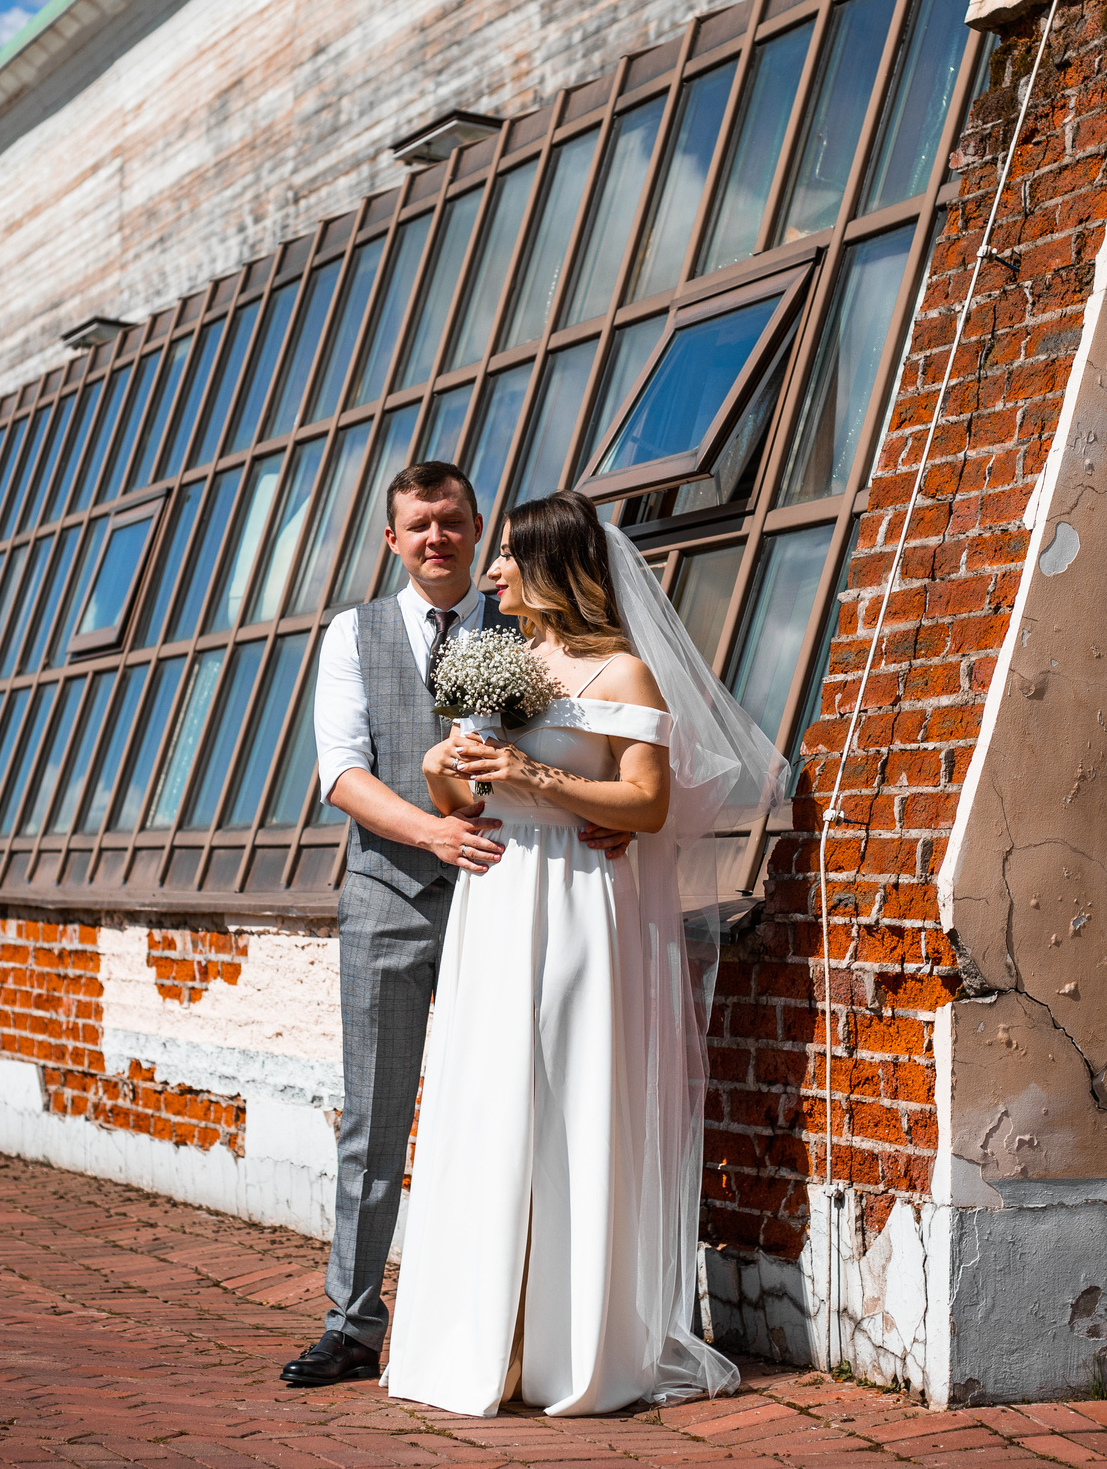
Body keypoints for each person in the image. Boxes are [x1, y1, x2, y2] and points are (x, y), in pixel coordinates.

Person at [382, 490, 784, 1418]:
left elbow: (644, 804)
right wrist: (452, 770)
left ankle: (574, 1346)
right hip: (497, 895)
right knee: (489, 1099)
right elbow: (455, 787)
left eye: (508, 558)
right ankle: (483, 1334)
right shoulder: (500, 662)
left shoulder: (622, 674)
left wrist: (543, 780)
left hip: (577, 903)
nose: (489, 573)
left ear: (554, 563)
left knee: (570, 1096)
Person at [282, 463, 627, 1389]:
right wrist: (435, 829)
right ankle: (353, 1324)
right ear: (391, 540)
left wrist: (602, 815)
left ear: (478, 532)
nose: (436, 538)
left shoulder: (528, 628)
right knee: (376, 1115)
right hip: (390, 900)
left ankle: (505, 1323)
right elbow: (342, 775)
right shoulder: (350, 636)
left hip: (514, 901)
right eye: (417, 525)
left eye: (452, 522)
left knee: (515, 1110)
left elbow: (583, 741)